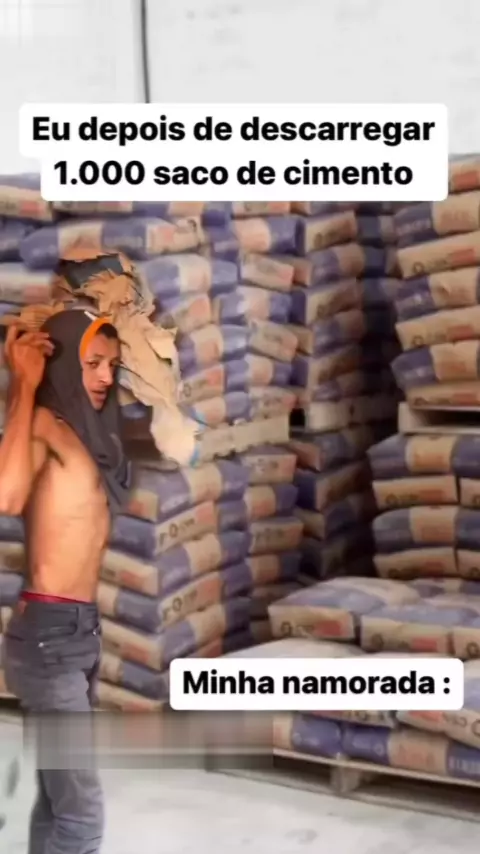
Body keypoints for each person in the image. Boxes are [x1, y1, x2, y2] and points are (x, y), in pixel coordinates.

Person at [0, 307, 130, 854]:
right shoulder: (45, 426)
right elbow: (6, 495)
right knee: (82, 813)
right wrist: (23, 385)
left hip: (80, 635)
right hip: (48, 638)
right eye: (92, 363)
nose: (105, 376)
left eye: (112, 365)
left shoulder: (91, 438)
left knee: (57, 802)